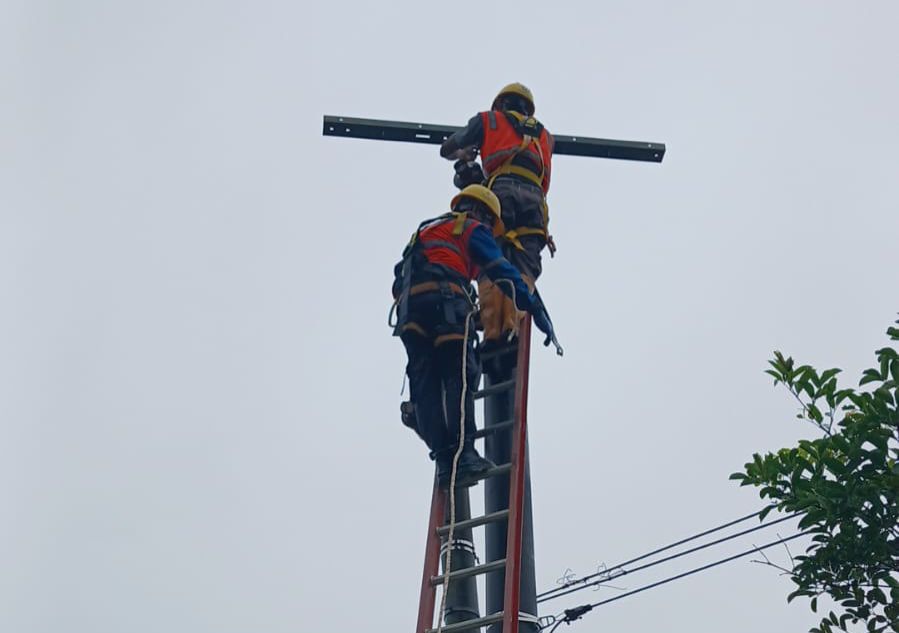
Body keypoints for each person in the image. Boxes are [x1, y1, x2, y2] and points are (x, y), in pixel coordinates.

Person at [393, 185, 554, 488]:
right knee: (461, 376)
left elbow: (398, 278)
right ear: (482, 213)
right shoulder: (471, 228)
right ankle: (465, 455)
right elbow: (502, 271)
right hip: (447, 304)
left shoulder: (426, 232)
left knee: (425, 383)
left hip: (411, 315)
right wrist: (534, 308)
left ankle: (444, 461)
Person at [440, 83, 555, 350]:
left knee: (489, 257)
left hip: (501, 192)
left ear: (501, 104)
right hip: (535, 203)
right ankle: (512, 327)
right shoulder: (546, 136)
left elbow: (447, 148)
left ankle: (493, 333)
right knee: (524, 267)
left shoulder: (489, 120)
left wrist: (463, 154)